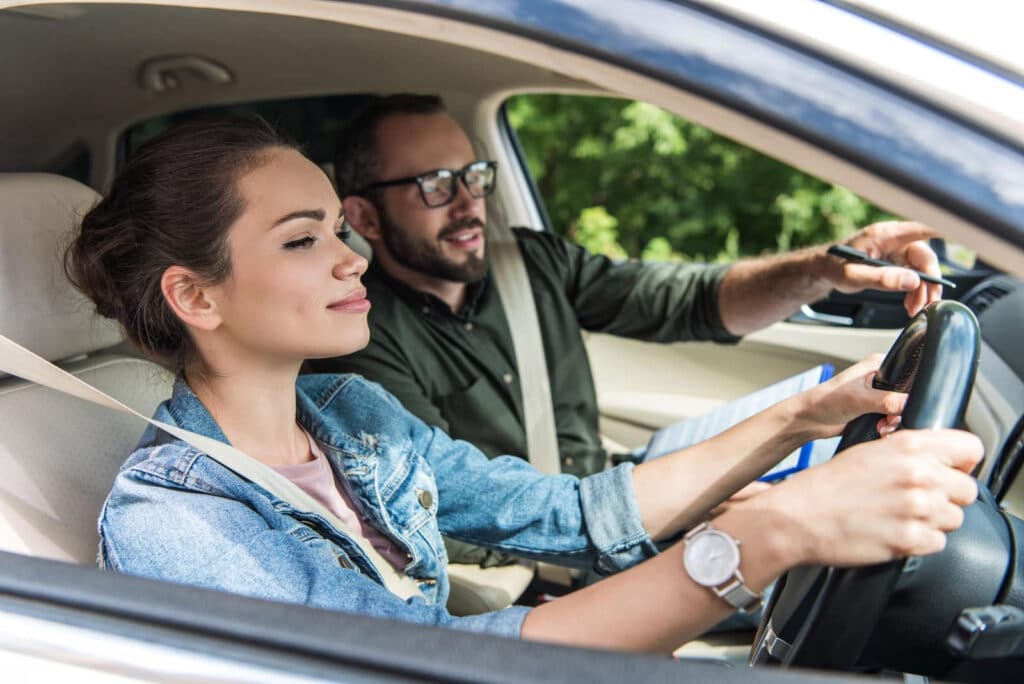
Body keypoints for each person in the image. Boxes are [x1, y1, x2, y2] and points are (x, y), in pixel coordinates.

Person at [68, 114, 981, 653]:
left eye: (337, 232)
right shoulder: (177, 524)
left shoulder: (351, 418)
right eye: (304, 239)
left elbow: (577, 514)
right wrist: (767, 536)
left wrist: (803, 417)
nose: (353, 260)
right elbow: (435, 667)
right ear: (194, 295)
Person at [309, 93, 945, 567]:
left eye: (473, 177)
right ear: (363, 212)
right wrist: (681, 523)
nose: (469, 203)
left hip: (612, 496)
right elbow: (452, 515)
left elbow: (687, 301)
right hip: (548, 558)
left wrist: (825, 268)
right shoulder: (359, 340)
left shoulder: (530, 261)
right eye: (434, 186)